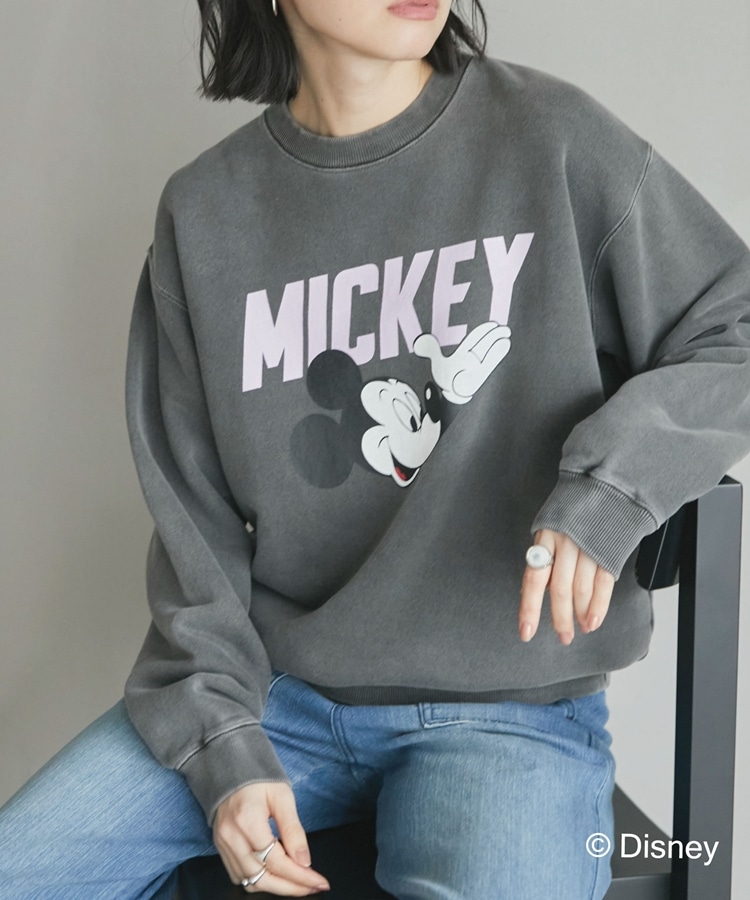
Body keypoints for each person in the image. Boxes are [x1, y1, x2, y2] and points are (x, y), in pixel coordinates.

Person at [1, 1, 749, 898]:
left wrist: (612, 486)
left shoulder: (550, 138)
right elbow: (194, 526)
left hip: (507, 719)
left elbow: (735, 323)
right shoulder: (204, 213)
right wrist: (223, 743)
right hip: (278, 699)